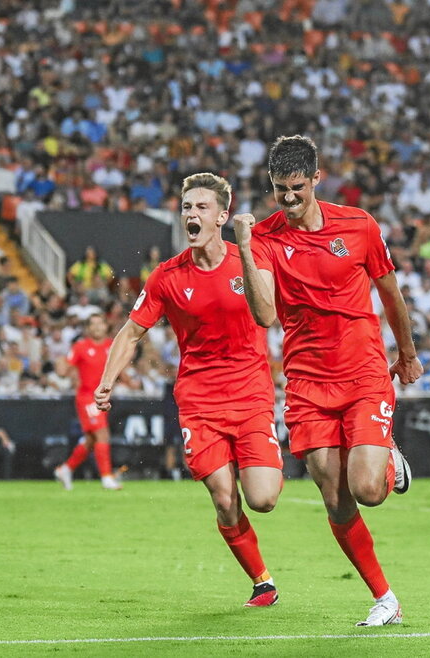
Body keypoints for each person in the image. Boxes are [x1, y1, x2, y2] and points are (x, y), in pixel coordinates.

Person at [233, 135, 422, 626]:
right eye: (279, 190)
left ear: (317, 179)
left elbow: (390, 292)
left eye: (297, 187)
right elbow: (265, 313)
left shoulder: (358, 226)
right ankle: (386, 598)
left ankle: (386, 458)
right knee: (335, 497)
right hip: (307, 385)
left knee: (367, 490)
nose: (289, 198)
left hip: (362, 373)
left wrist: (407, 353)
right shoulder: (269, 238)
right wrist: (249, 250)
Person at [95, 172, 283, 607]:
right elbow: (130, 333)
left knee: (263, 498)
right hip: (199, 402)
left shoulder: (249, 261)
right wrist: (108, 382)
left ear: (222, 216)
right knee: (223, 497)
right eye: (186, 207)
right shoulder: (166, 277)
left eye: (201, 207)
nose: (191, 214)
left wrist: (250, 249)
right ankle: (262, 581)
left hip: (251, 394)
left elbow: (268, 315)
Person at [54, 312, 121, 491]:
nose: (98, 327)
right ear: (88, 328)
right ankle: (106, 477)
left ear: (106, 326)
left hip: (103, 397)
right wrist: (61, 368)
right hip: (87, 398)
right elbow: (65, 367)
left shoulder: (111, 345)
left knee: (92, 439)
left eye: (100, 323)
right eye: (94, 324)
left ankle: (66, 469)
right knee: (102, 434)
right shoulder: (80, 347)